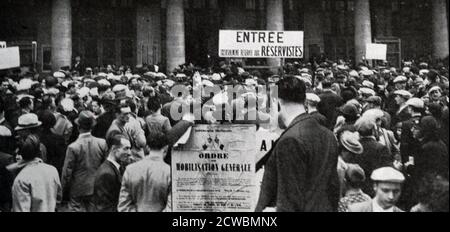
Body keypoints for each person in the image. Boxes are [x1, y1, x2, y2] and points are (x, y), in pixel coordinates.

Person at [256, 76, 339, 212]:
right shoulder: (328, 135)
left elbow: (289, 199)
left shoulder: (290, 140)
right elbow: (333, 187)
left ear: (276, 103)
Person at [61, 111, 108, 212]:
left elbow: (67, 173)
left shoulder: (73, 147)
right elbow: (105, 166)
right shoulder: (102, 143)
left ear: (78, 127)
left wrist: (62, 190)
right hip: (95, 186)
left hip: (77, 187)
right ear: (92, 127)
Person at [118, 132, 171, 212]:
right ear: (166, 148)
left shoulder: (130, 170)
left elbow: (123, 206)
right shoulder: (169, 172)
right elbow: (171, 207)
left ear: (147, 148)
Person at [10, 135, 61, 212]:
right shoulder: (53, 170)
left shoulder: (21, 179)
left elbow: (21, 209)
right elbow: (58, 198)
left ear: (21, 153)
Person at [354, 115, 393, 195]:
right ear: (373, 130)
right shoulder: (381, 148)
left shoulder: (354, 147)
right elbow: (387, 170)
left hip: (358, 188)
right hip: (375, 189)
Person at [92, 134, 132, 212]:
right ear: (114, 149)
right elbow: (104, 208)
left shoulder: (119, 168)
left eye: (129, 148)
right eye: (126, 149)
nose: (129, 153)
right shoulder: (106, 174)